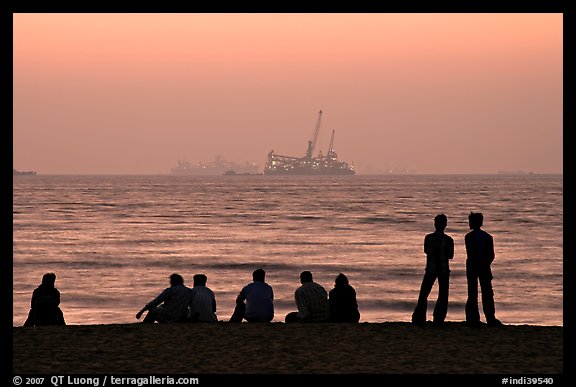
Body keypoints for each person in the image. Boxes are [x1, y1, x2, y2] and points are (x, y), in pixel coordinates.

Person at [411, 214, 454, 325]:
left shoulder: (429, 238)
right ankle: (438, 318)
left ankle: (419, 318)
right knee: (443, 295)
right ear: (445, 225)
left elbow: (426, 251)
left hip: (431, 268)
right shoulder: (448, 239)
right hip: (443, 269)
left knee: (424, 293)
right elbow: (450, 255)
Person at [465, 212, 503, 327]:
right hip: (483, 266)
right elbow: (491, 255)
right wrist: (485, 264)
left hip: (473, 266)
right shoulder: (487, 237)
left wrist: (481, 264)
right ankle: (489, 318)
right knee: (486, 293)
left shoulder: (469, 237)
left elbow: (471, 254)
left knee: (473, 293)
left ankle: (473, 318)